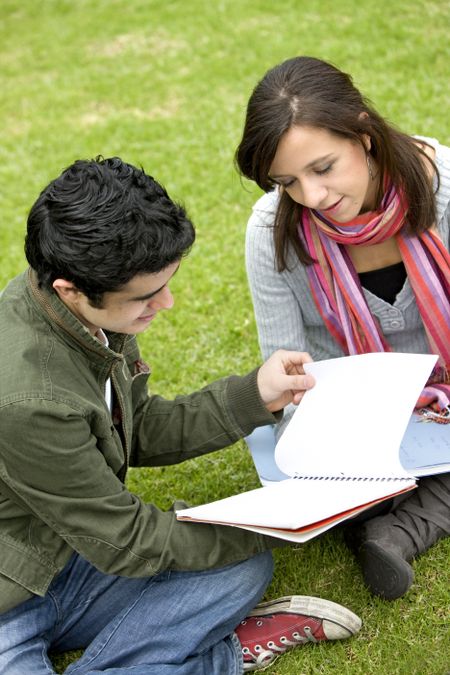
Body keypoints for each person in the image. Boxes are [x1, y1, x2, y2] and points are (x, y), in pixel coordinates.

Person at [0, 157, 362, 674]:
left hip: (69, 558)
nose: (166, 303)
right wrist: (269, 526)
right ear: (70, 289)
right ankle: (223, 656)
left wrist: (252, 396)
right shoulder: (28, 399)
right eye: (146, 297)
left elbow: (135, 429)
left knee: (238, 568)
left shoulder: (73, 300)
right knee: (233, 549)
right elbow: (125, 540)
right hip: (8, 600)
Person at [236, 56, 450, 601]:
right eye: (287, 181)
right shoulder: (271, 231)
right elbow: (289, 369)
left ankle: (391, 527)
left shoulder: (445, 192)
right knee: (315, 471)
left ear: (364, 133)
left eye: (323, 168)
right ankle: (379, 510)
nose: (311, 197)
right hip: (349, 417)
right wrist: (311, 414)